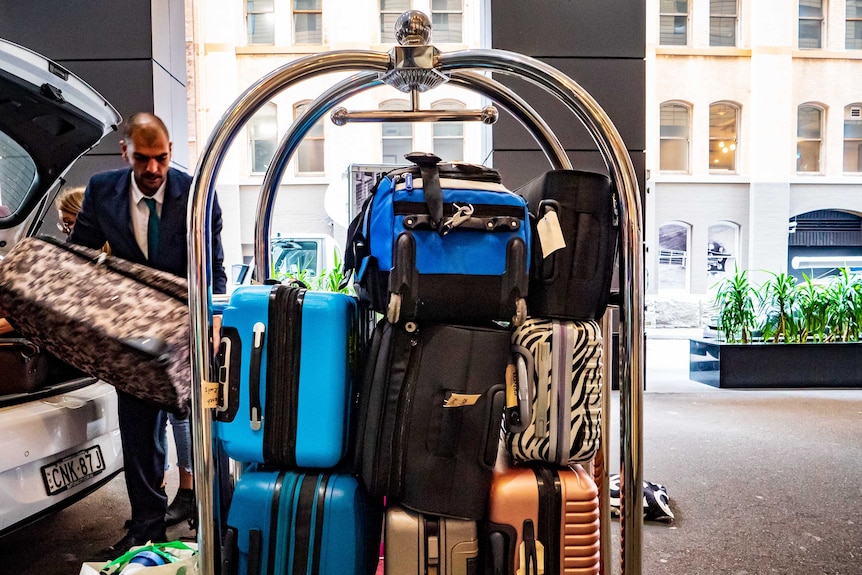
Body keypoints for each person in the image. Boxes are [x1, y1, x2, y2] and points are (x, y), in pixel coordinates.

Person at [70, 112, 227, 557]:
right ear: (126, 153)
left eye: (161, 157)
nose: (154, 169)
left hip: (187, 331)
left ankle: (209, 524)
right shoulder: (102, 191)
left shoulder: (197, 193)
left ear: (171, 152)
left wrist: (213, 323)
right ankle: (146, 528)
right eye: (144, 159)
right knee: (139, 434)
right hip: (134, 333)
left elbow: (214, 268)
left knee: (201, 429)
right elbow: (80, 258)